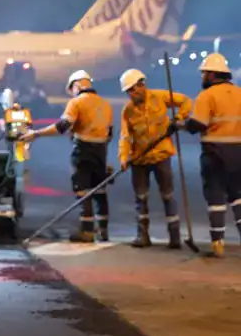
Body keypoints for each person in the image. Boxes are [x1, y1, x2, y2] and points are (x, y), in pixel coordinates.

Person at [19, 70, 114, 242]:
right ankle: (103, 231)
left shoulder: (77, 102)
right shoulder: (105, 104)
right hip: (101, 151)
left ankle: (86, 231)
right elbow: (110, 134)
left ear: (76, 85)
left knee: (83, 190)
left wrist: (36, 134)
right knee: (100, 191)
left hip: (83, 151)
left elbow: (62, 126)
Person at [117, 69, 192, 248]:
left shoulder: (160, 97)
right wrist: (123, 157)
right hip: (139, 160)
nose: (131, 94)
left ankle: (174, 238)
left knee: (168, 196)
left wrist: (178, 119)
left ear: (142, 85)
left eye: (133, 90)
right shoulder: (127, 110)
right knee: (140, 198)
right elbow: (125, 136)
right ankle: (143, 236)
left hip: (161, 155)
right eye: (128, 91)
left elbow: (186, 102)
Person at [182, 53, 241, 258]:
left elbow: (198, 124)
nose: (202, 77)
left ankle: (217, 243)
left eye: (204, 73)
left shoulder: (206, 96)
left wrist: (181, 124)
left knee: (215, 196)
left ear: (212, 74)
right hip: (238, 151)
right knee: (238, 196)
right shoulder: (239, 93)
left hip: (215, 152)